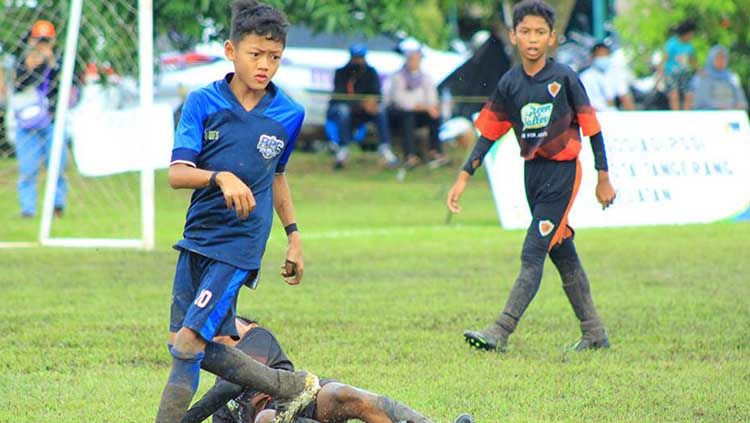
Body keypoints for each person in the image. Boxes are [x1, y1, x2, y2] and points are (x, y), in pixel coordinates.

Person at [156, 2, 320, 422]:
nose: (265, 65)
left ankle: (284, 386)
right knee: (182, 343)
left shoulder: (289, 114)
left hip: (240, 244)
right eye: (255, 55)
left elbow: (277, 176)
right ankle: (287, 385)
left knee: (190, 341)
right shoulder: (202, 102)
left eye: (275, 57)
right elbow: (177, 175)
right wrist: (220, 177)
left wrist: (294, 236)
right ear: (231, 50)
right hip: (197, 237)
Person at [445, 0, 616, 353]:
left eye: (540, 32)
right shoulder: (509, 83)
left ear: (552, 37)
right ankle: (595, 332)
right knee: (561, 250)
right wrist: (464, 176)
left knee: (533, 251)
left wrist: (603, 177)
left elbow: (592, 128)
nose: (532, 39)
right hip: (532, 175)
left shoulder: (565, 77)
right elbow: (489, 134)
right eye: (525, 32)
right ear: (513, 36)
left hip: (563, 174)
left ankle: (500, 330)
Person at [182, 317, 475, 423]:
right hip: (274, 420)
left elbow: (230, 385)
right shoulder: (221, 411)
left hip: (305, 404)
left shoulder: (258, 338)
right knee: (267, 419)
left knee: (341, 392)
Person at [13, 20, 66, 218]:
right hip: (27, 123)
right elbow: (17, 88)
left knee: (57, 165)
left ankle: (57, 206)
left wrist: (51, 64)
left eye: (45, 40)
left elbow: (66, 86)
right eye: (38, 39)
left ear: (52, 40)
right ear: (31, 40)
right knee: (27, 168)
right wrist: (27, 67)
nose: (41, 44)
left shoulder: (59, 60)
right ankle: (27, 209)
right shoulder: (22, 60)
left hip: (52, 121)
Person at [327, 43, 398, 170]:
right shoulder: (341, 73)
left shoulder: (371, 72)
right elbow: (340, 96)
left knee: (380, 110)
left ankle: (385, 149)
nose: (358, 61)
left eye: (360, 58)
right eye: (355, 58)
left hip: (364, 112)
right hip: (345, 110)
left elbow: (376, 94)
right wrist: (361, 103)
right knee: (343, 111)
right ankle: (342, 150)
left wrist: (371, 103)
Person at [386, 40, 447, 169]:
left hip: (420, 113)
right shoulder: (398, 77)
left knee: (435, 116)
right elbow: (399, 100)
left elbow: (432, 99)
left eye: (416, 59)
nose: (414, 62)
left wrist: (427, 108)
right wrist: (418, 107)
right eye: (411, 59)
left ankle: (435, 152)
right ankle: (410, 155)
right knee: (408, 116)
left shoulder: (426, 78)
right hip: (399, 115)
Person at [579, 42, 634, 112]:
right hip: (595, 114)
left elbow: (624, 96)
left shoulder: (615, 74)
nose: (602, 58)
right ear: (592, 57)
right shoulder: (585, 77)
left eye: (605, 55)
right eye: (600, 55)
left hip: (613, 114)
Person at [689, 45, 748, 111]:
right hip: (709, 115)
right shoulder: (703, 77)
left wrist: (739, 105)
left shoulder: (732, 77)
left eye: (723, 58)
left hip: (731, 114)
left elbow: (741, 99)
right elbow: (701, 101)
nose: (721, 61)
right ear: (711, 59)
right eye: (718, 58)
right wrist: (717, 106)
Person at [664, 20, 697, 110]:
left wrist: (699, 69)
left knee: (689, 93)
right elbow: (665, 58)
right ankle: (676, 114)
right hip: (672, 72)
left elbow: (692, 60)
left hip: (684, 72)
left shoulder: (689, 46)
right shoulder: (672, 44)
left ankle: (687, 114)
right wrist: (660, 73)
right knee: (673, 93)